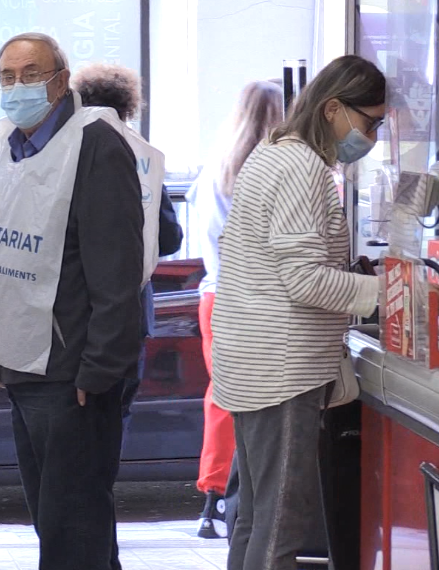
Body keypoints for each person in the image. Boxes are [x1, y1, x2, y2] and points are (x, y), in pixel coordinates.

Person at [0, 33, 145, 570]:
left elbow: (116, 271)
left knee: (71, 525)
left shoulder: (95, 146)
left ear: (61, 79)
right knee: (62, 522)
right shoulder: (13, 144)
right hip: (26, 367)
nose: (18, 87)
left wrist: (98, 370)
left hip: (72, 374)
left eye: (31, 73)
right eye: (7, 76)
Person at [211, 54, 385, 570]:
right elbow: (304, 279)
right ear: (333, 109)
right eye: (369, 122)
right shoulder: (301, 169)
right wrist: (388, 293)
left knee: (257, 516)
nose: (371, 136)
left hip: (253, 359)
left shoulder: (274, 153)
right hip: (281, 369)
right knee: (282, 518)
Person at [185, 80, 284, 539]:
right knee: (260, 404)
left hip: (214, 295)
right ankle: (243, 501)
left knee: (222, 398)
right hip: (255, 298)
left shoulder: (215, 169)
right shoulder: (272, 168)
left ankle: (212, 499)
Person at [71, 62, 184, 434]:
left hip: (78, 314)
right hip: (134, 311)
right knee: (115, 417)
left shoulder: (71, 152)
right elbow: (170, 238)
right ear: (128, 107)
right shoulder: (143, 157)